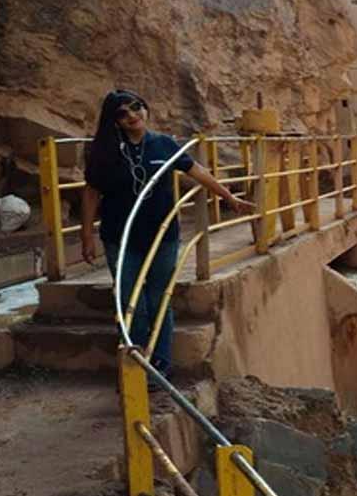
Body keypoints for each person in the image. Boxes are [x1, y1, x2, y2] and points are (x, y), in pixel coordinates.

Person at [81, 89, 254, 382]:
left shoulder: (163, 144)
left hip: (162, 237)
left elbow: (196, 170)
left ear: (145, 108)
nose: (132, 115)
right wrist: (87, 235)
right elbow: (91, 192)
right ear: (115, 121)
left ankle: (159, 365)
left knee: (160, 298)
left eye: (136, 107)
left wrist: (229, 197)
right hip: (120, 239)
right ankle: (137, 364)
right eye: (123, 113)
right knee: (130, 301)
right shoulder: (105, 152)